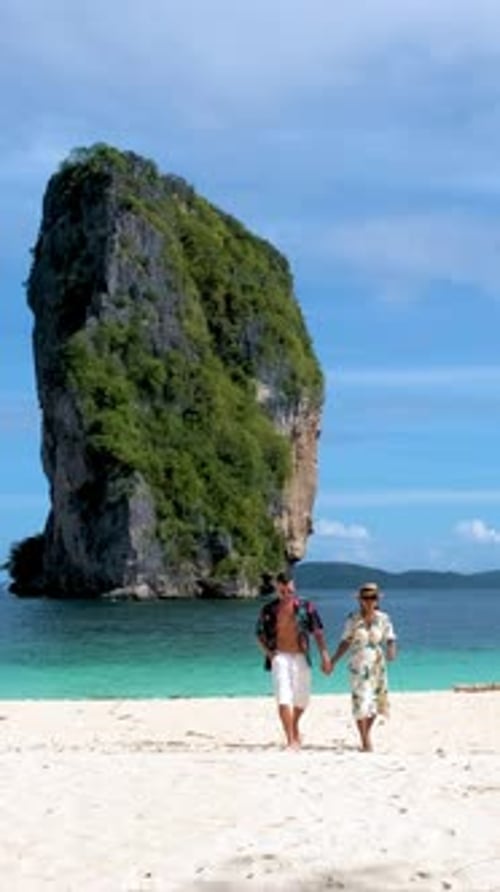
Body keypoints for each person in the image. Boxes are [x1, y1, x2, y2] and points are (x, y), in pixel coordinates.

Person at [256, 571, 331, 750]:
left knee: (302, 700)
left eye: (289, 589)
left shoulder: (305, 606)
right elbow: (259, 633)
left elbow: (318, 632)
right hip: (280, 656)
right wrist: (270, 654)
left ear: (293, 587)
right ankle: (291, 739)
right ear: (277, 589)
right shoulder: (269, 609)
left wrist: (325, 656)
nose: (286, 593)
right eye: (283, 591)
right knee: (284, 697)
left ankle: (294, 725)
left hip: (301, 656)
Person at [328, 581, 397, 752]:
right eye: (365, 598)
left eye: (372, 597)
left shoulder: (383, 618)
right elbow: (345, 641)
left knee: (375, 703)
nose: (369, 601)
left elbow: (390, 638)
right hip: (358, 665)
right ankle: (365, 740)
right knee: (361, 702)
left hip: (376, 665)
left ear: (377, 600)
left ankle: (366, 736)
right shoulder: (353, 619)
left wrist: (391, 651)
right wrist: (333, 660)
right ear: (360, 600)